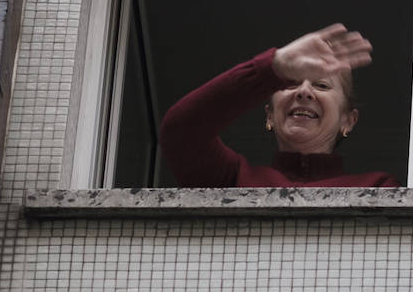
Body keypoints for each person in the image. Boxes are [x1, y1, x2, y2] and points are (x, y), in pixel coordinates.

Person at [160, 23, 399, 187]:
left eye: (322, 86)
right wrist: (274, 68)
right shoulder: (233, 181)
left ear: (349, 120)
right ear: (269, 115)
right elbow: (181, 131)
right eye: (290, 83)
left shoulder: (376, 190)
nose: (304, 91)